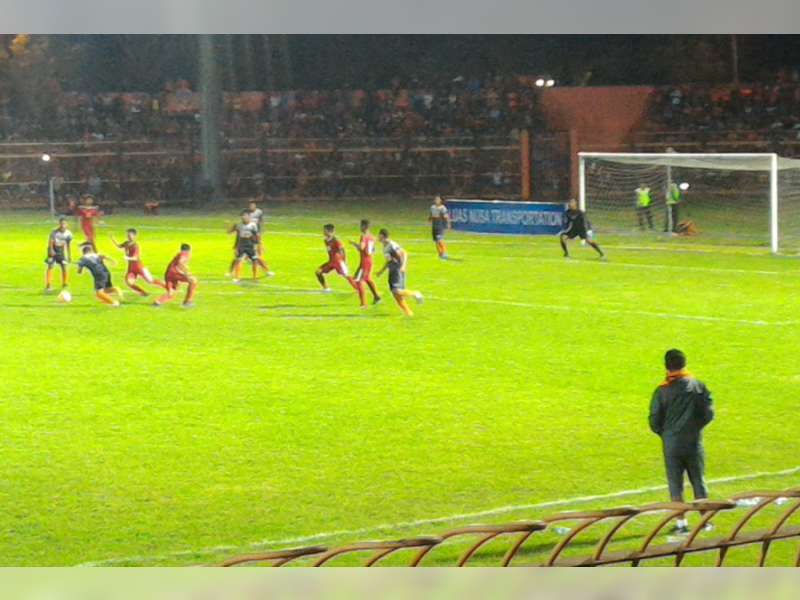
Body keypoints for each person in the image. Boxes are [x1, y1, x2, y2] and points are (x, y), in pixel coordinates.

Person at [649, 349, 715, 535]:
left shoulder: (662, 390)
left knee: (675, 483)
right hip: (693, 441)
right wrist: (695, 428)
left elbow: (654, 419)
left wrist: (666, 434)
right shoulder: (698, 386)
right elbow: (709, 413)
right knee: (698, 480)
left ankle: (681, 524)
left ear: (666, 366)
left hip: (671, 443)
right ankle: (705, 521)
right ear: (684, 364)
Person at [376, 228, 423, 316]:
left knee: (397, 291)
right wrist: (381, 271)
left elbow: (404, 253)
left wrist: (403, 266)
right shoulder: (385, 247)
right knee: (396, 295)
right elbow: (388, 261)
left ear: (382, 236)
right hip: (392, 270)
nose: (377, 237)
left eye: (378, 235)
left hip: (397, 269)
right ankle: (409, 313)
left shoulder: (392, 245)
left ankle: (415, 293)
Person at [111, 228, 166, 296]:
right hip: (131, 269)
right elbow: (119, 246)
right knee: (129, 283)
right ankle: (144, 293)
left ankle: (167, 287)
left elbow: (135, 258)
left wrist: (127, 258)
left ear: (134, 236)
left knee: (151, 281)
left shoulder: (135, 246)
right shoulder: (126, 243)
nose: (128, 236)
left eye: (130, 235)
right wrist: (112, 239)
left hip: (139, 267)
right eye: (127, 235)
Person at [316, 224, 362, 303]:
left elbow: (342, 251)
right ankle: (326, 289)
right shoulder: (326, 240)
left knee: (346, 275)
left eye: (325, 230)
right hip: (331, 262)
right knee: (318, 272)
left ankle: (359, 289)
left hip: (338, 262)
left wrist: (343, 261)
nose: (323, 232)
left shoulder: (336, 241)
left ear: (330, 231)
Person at [228, 211, 273, 283]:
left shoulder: (253, 225)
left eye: (245, 216)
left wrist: (259, 244)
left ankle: (258, 276)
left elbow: (256, 235)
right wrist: (235, 246)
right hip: (241, 245)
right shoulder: (239, 225)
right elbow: (232, 233)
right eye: (242, 216)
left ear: (249, 217)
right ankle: (236, 277)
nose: (243, 217)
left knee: (256, 260)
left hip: (251, 245)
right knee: (238, 260)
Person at [154, 243, 197, 308]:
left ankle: (157, 302)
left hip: (168, 274)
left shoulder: (179, 254)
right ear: (189, 250)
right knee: (193, 281)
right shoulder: (185, 253)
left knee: (172, 293)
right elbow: (181, 262)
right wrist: (187, 273)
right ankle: (187, 302)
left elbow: (179, 263)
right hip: (175, 273)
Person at [349, 219, 382, 306]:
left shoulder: (364, 236)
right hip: (370, 260)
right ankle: (377, 297)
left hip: (364, 262)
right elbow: (373, 250)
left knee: (358, 281)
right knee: (367, 279)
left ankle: (363, 304)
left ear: (364, 226)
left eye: (361, 225)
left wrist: (353, 243)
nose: (360, 227)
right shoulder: (372, 237)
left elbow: (361, 248)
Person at [45, 217, 73, 293]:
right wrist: (51, 250)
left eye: (64, 223)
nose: (62, 225)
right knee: (50, 266)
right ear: (59, 224)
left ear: (67, 224)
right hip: (53, 249)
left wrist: (69, 255)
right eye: (61, 223)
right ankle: (48, 285)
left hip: (61, 250)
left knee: (64, 266)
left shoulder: (69, 234)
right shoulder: (54, 232)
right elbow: (50, 241)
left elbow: (68, 245)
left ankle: (65, 284)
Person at [429, 195, 452, 259]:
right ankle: (440, 254)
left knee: (440, 240)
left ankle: (445, 253)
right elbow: (431, 215)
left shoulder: (442, 208)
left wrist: (448, 224)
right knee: (436, 241)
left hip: (440, 226)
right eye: (436, 199)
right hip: (434, 226)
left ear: (440, 201)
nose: (437, 201)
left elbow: (446, 217)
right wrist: (429, 220)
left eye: (438, 199)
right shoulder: (432, 207)